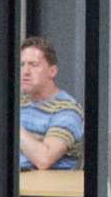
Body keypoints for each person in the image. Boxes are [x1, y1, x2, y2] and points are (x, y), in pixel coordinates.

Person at [13, 35, 85, 172]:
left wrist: (10, 124)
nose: (25, 72)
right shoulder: (18, 103)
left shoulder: (67, 109)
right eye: (22, 65)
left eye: (33, 65)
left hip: (48, 190)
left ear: (52, 71)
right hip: (10, 185)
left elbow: (44, 159)